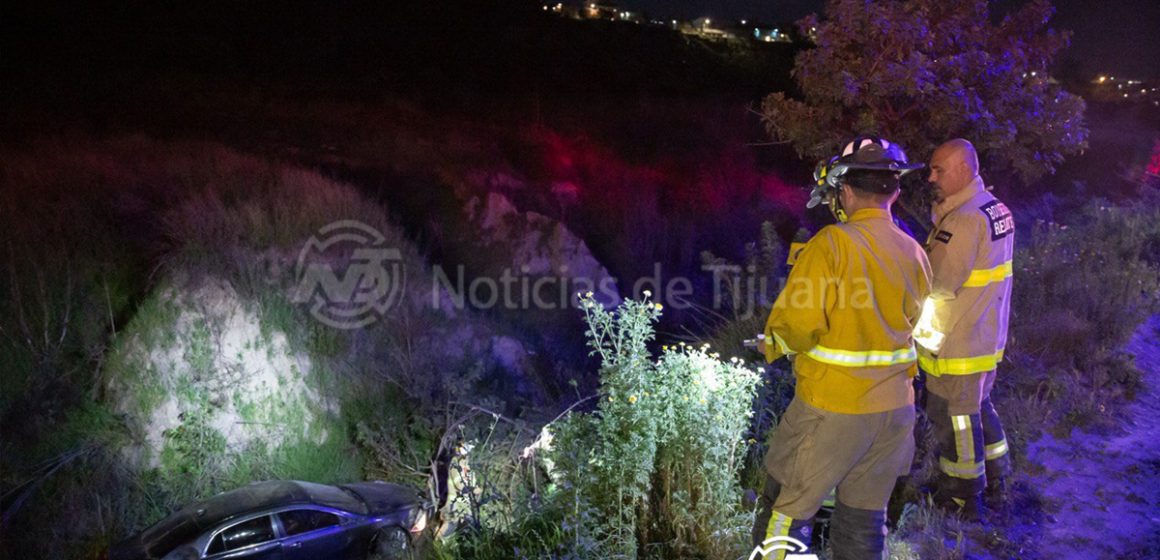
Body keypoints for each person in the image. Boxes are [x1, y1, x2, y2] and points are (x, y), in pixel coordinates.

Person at [752, 137, 931, 560]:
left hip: (832, 408)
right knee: (863, 523)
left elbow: (798, 325)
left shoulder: (831, 245)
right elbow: (916, 322)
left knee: (784, 511)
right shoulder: (915, 251)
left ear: (845, 191)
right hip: (895, 413)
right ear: (894, 191)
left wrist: (772, 343)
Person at [913, 139, 1014, 517]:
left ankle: (961, 497)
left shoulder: (963, 220)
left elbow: (937, 282)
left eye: (938, 170)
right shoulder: (995, 208)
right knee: (977, 408)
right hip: (984, 336)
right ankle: (998, 480)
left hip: (958, 342)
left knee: (954, 417)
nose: (931, 177)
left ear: (964, 170)